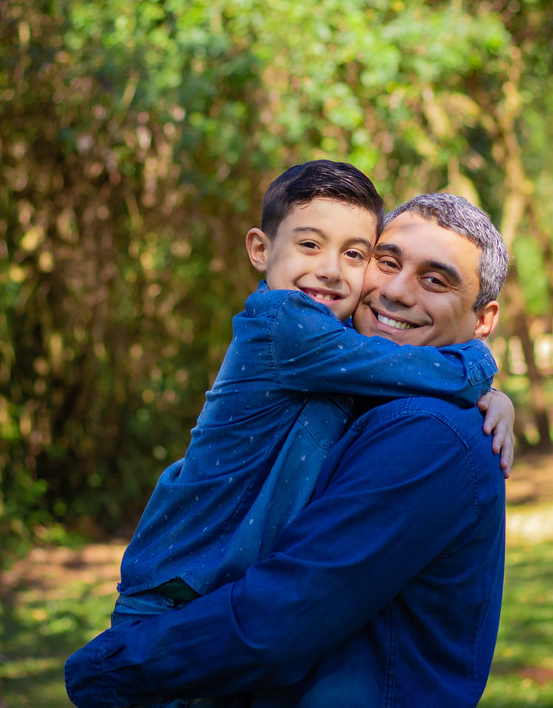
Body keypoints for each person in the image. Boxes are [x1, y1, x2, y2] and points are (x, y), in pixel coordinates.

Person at [69, 164, 513, 707]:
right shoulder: (311, 346)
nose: (395, 291)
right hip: (175, 586)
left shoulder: (429, 433)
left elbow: (284, 616)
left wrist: (107, 669)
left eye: (435, 279)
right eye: (386, 261)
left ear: (484, 318)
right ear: (260, 249)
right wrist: (479, 376)